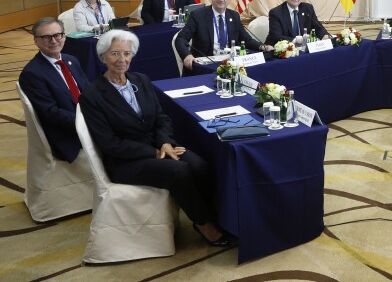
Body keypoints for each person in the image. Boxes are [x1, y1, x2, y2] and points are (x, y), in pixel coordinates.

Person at [79, 30, 232, 246]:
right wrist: (155, 152)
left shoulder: (141, 80)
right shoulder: (92, 95)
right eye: (115, 54)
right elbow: (110, 143)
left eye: (127, 53)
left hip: (160, 146)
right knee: (180, 171)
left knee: (200, 166)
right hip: (126, 160)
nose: (122, 59)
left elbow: (161, 118)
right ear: (103, 57)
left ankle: (214, 215)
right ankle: (204, 224)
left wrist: (165, 143)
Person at [19, 17, 90, 163]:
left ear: (64, 36)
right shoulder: (32, 73)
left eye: (58, 35)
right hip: (70, 134)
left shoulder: (72, 60)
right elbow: (51, 113)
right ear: (36, 41)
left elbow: (89, 93)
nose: (54, 41)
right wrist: (89, 122)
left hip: (89, 121)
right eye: (46, 37)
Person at [174, 0, 272, 70]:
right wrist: (187, 55)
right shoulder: (198, 15)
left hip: (230, 64)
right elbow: (181, 39)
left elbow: (246, 40)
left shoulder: (234, 16)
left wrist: (262, 47)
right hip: (207, 65)